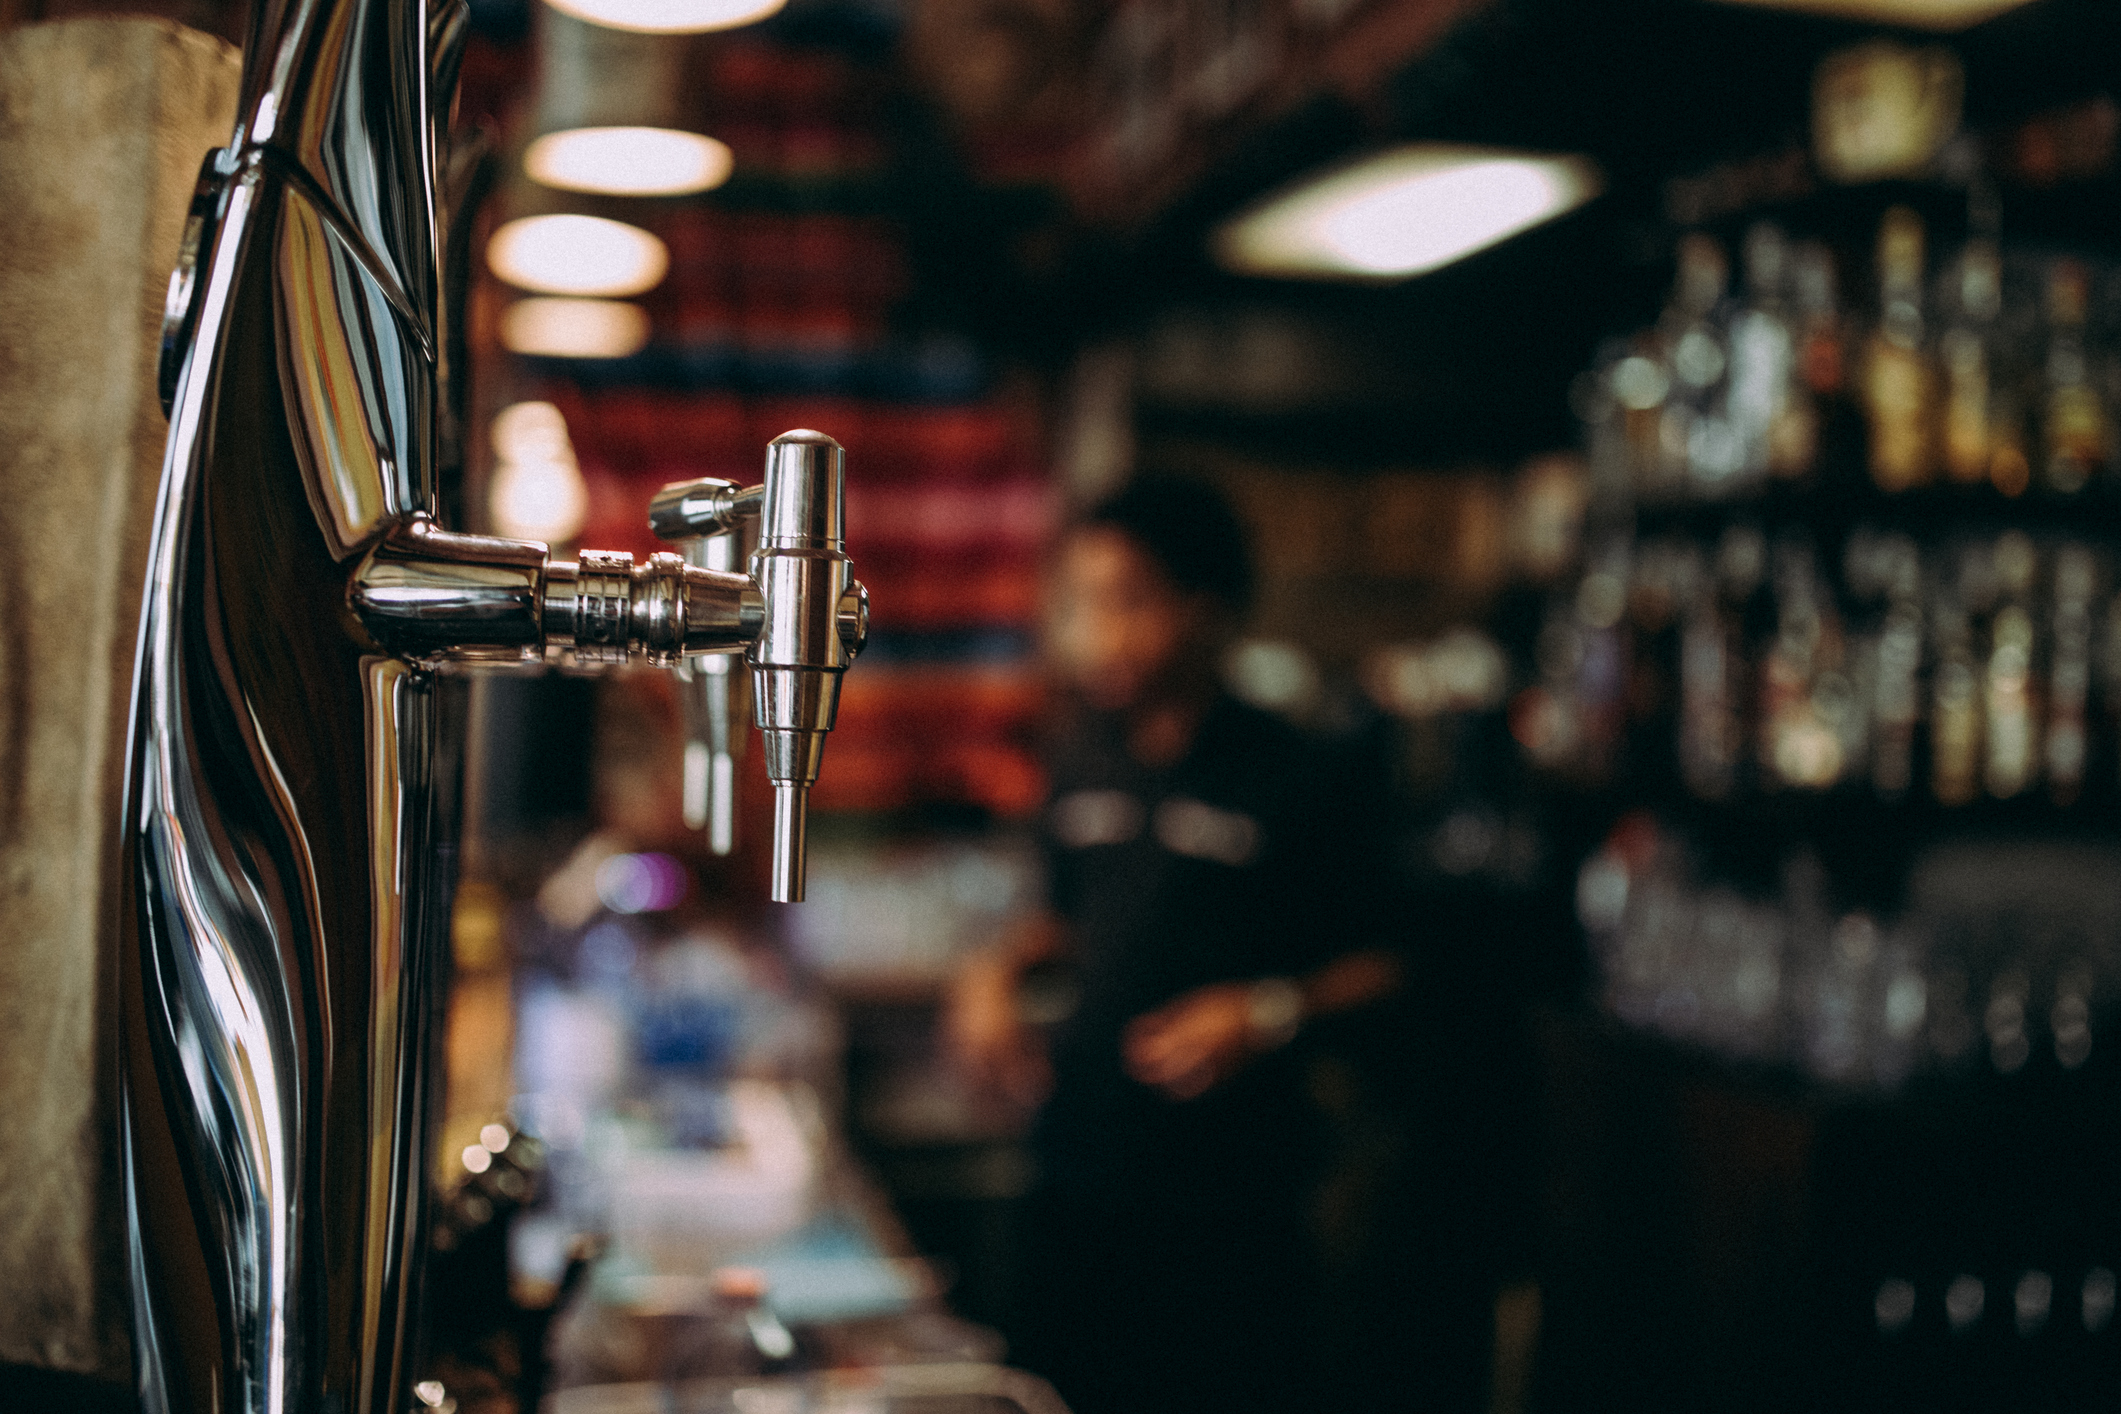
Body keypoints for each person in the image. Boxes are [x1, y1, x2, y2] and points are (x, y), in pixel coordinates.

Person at [945, 475, 1402, 1414]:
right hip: (1074, 1181)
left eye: (1128, 601)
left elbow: (1391, 963)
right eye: (1080, 603)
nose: (1096, 633)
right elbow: (1066, 920)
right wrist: (991, 973)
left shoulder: (1303, 768)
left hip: (1229, 1212)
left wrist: (1269, 1011)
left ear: (1206, 611)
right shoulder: (1079, 756)